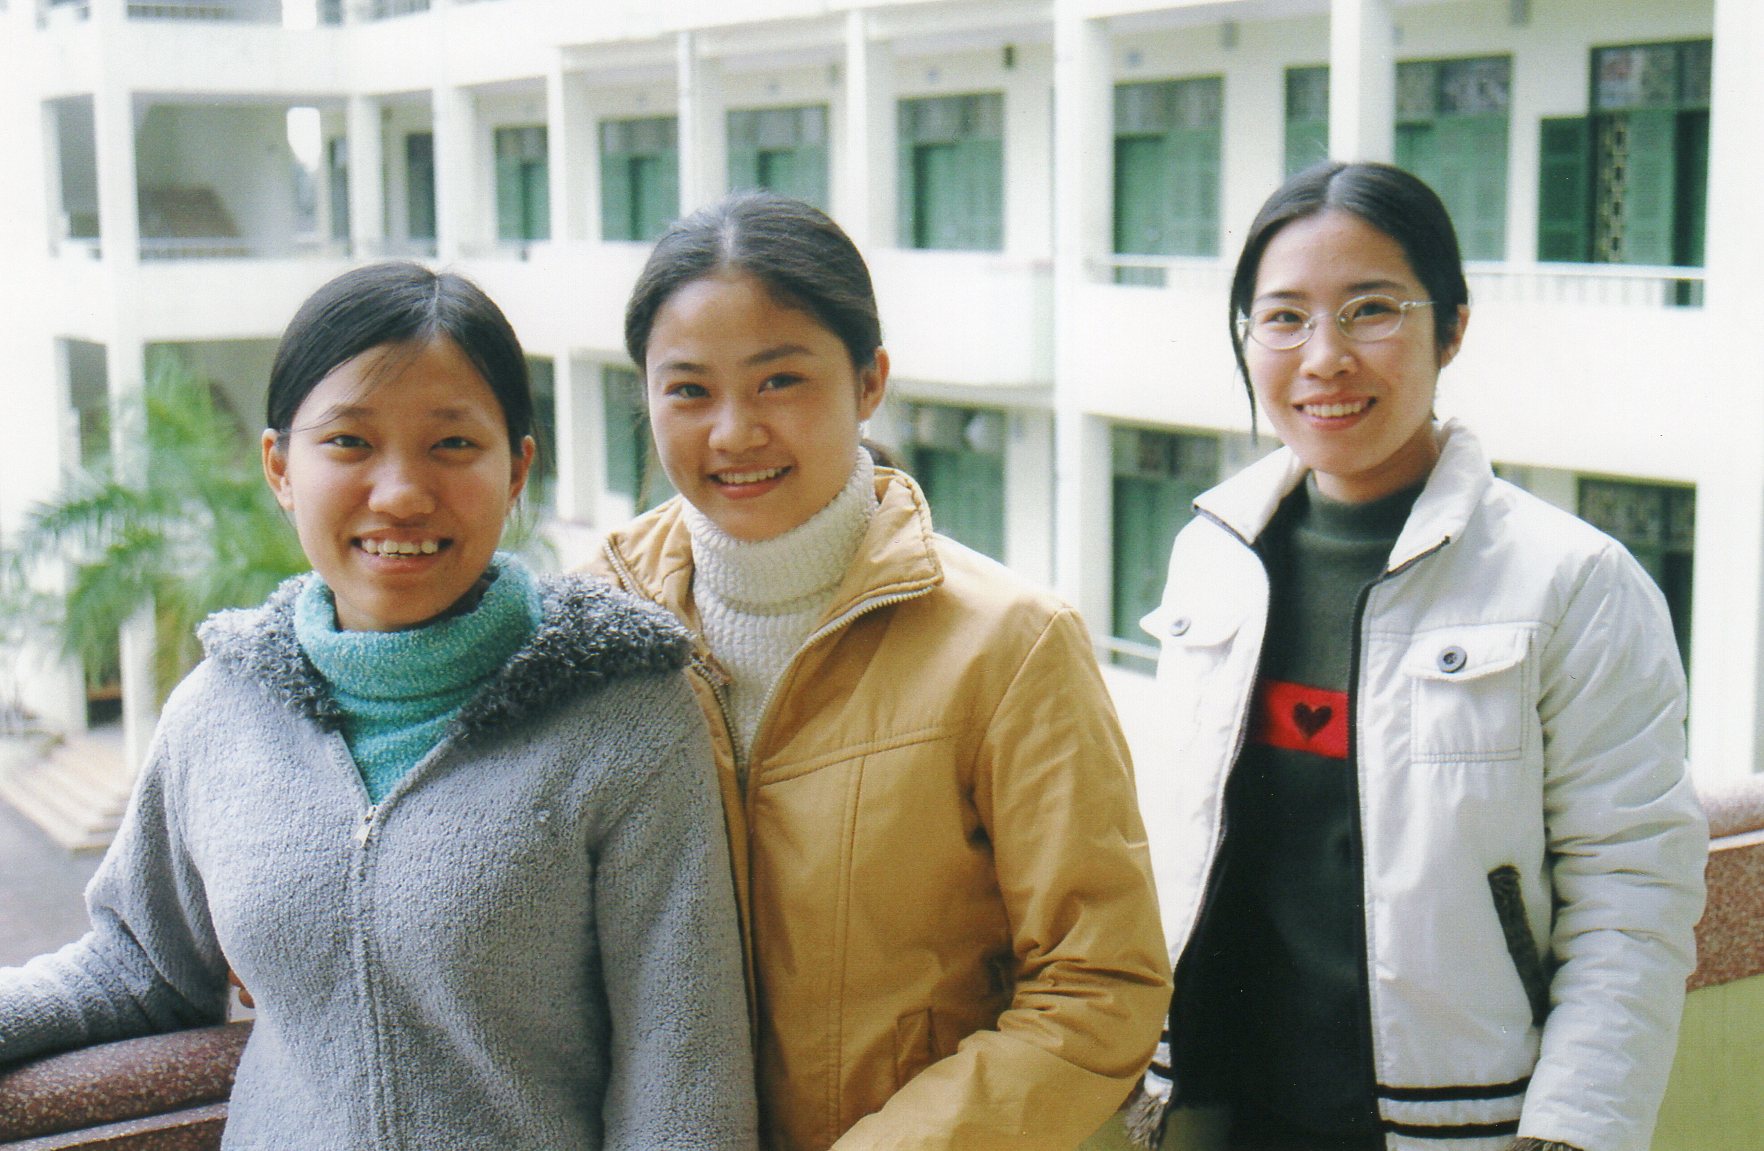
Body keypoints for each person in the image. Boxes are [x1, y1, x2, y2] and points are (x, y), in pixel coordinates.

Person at [0, 262, 757, 1151]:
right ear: (280, 467)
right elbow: (141, 965)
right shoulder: (219, 711)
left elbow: (685, 1090)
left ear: (517, 469)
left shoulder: (624, 714)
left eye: (452, 445)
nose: (400, 493)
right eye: (350, 443)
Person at [1129, 161, 1707, 1151]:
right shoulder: (1212, 556)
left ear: (1453, 327)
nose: (1324, 358)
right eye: (1283, 317)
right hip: (1227, 1113)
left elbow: (1633, 897)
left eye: (1370, 310)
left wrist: (1569, 1136)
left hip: (1464, 1123)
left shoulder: (1572, 583)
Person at [591, 190, 1171, 1151]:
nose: (732, 431)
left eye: (779, 380)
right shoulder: (593, 631)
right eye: (688, 389)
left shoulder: (1011, 647)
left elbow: (1100, 986)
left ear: (870, 383)